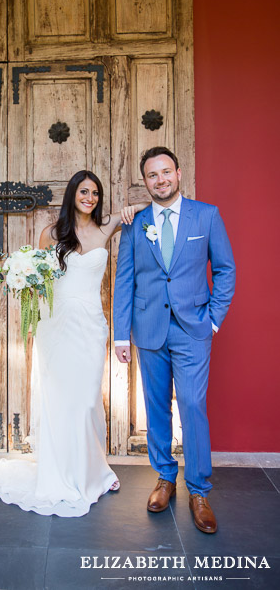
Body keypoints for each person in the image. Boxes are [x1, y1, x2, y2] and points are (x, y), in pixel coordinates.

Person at [0, 170, 148, 517]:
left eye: (95, 193)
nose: (90, 198)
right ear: (72, 194)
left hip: (90, 326)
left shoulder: (107, 226)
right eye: (84, 191)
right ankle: (58, 473)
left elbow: (147, 205)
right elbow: (38, 283)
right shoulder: (50, 234)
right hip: (55, 326)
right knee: (59, 402)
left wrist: (130, 210)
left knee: (86, 402)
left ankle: (93, 471)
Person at [113, 147, 235, 533]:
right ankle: (165, 477)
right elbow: (124, 281)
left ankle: (199, 490)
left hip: (193, 330)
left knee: (193, 405)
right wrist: (120, 335)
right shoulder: (135, 223)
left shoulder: (207, 215)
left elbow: (226, 269)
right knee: (156, 406)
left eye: (166, 172)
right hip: (149, 330)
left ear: (179, 174)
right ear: (145, 181)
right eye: (152, 175)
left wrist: (213, 320)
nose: (160, 180)